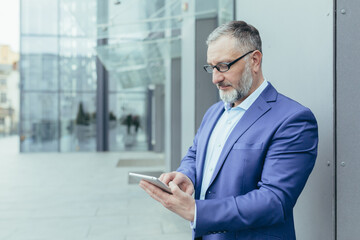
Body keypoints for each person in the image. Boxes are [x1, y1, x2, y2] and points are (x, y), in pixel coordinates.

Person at [139, 20, 318, 240]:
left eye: (224, 66)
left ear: (255, 60)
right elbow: (196, 155)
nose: (215, 78)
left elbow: (274, 201)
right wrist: (187, 175)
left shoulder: (293, 120)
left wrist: (197, 212)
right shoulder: (215, 112)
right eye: (211, 67)